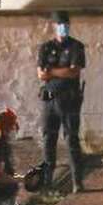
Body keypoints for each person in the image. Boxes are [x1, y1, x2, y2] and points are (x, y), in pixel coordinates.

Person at [37, 11, 87, 193]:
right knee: (48, 139)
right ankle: (48, 182)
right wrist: (60, 71)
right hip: (49, 99)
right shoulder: (45, 47)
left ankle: (77, 181)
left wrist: (52, 72)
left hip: (69, 99)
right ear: (53, 26)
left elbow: (74, 72)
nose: (63, 28)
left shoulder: (76, 46)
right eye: (59, 24)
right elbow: (41, 74)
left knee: (72, 140)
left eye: (66, 24)